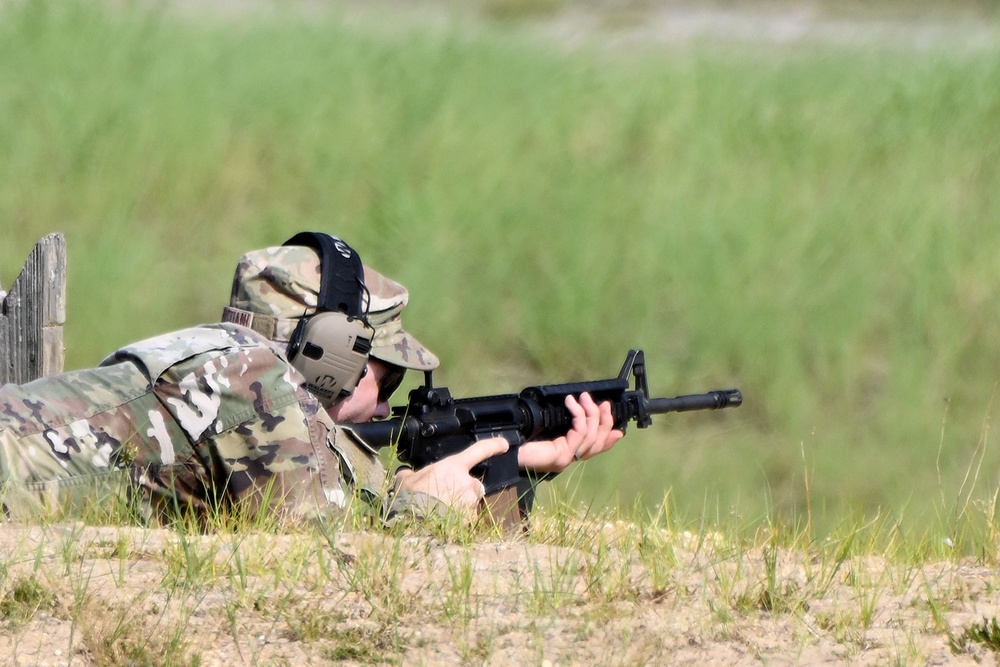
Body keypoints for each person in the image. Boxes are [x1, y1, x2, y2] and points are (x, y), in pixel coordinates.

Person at [0, 233, 623, 524]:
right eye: (386, 370)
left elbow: (350, 494)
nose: (390, 398)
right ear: (332, 353)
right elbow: (326, 545)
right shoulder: (251, 376)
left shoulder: (217, 362)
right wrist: (426, 505)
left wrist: (518, 461)